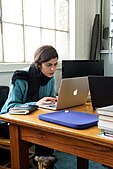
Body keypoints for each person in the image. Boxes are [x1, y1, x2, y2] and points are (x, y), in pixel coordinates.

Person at [0, 45, 59, 168]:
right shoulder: (21, 77)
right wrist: (36, 103)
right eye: (49, 65)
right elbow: (11, 107)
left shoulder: (50, 78)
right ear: (39, 64)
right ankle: (44, 161)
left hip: (32, 119)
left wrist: (56, 101)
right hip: (8, 122)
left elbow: (49, 101)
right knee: (43, 131)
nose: (53, 69)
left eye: (55, 64)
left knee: (51, 126)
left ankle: (44, 162)